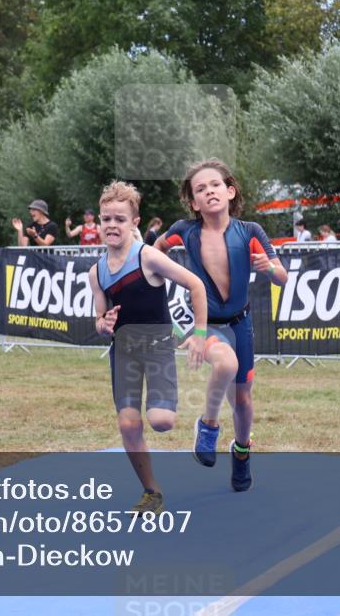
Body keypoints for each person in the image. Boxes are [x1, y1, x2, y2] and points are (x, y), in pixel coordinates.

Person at [155, 158, 288, 492]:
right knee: (225, 364)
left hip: (240, 324)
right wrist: (157, 270)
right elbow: (155, 251)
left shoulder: (250, 232)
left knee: (243, 402)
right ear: (193, 202)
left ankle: (241, 453)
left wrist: (267, 268)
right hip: (203, 322)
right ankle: (208, 425)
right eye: (200, 189)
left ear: (230, 191)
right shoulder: (184, 231)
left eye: (214, 185)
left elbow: (282, 277)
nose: (209, 191)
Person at [89, 181, 215, 513]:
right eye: (106, 219)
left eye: (120, 219)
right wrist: (103, 324)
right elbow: (99, 321)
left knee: (161, 421)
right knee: (128, 425)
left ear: (135, 222)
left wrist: (199, 334)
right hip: (124, 351)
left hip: (157, 345)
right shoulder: (96, 272)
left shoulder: (148, 257)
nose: (112, 226)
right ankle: (152, 492)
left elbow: (196, 284)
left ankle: (203, 425)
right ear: (99, 223)